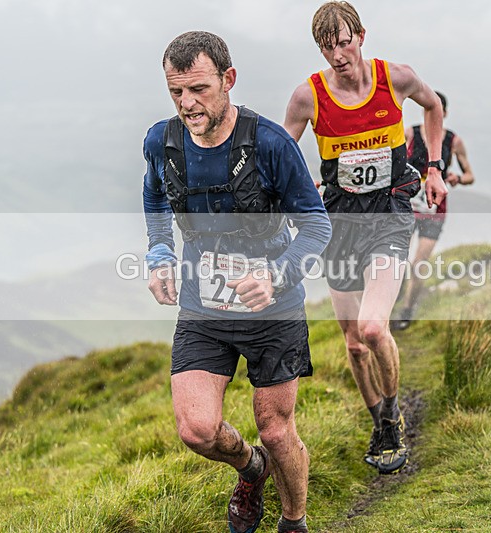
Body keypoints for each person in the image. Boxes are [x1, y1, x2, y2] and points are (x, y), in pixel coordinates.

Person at [142, 31, 331, 533]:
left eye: (199, 89)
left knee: (276, 430)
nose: (188, 104)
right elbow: (157, 200)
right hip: (205, 309)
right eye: (176, 92)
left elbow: (316, 225)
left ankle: (294, 522)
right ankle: (251, 470)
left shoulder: (271, 144)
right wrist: (160, 254)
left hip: (273, 310)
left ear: (228, 79)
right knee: (197, 430)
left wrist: (277, 274)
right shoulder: (162, 143)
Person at [283, 1, 447, 475]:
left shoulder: (394, 78)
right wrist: (297, 188)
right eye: (326, 46)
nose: (337, 54)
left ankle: (394, 416)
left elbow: (433, 106)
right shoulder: (307, 98)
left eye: (344, 41)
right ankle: (378, 419)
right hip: (338, 222)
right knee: (354, 342)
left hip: (390, 213)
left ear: (361, 36)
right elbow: (280, 152)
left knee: (374, 327)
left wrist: (434, 167)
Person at [391, 91, 475, 331]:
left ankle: (407, 310)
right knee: (398, 259)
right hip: (408, 207)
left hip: (435, 210)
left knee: (419, 263)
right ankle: (392, 299)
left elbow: (470, 175)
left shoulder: (453, 141)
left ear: (444, 114)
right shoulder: (411, 133)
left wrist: (458, 178)